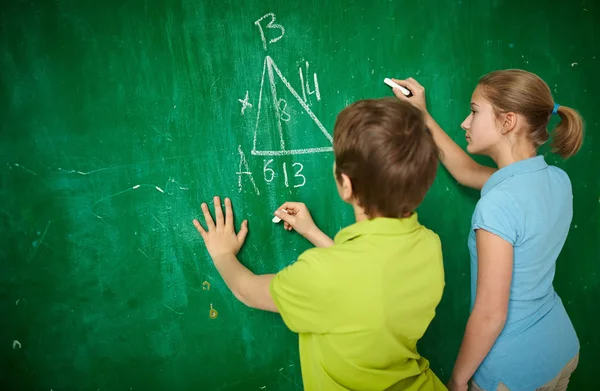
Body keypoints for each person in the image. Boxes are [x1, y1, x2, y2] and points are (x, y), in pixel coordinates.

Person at [193, 98, 447, 390]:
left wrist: (223, 254)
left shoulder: (322, 275)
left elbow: (247, 290)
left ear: (346, 185)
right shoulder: (429, 245)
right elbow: (365, 284)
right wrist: (313, 233)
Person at [392, 70, 583, 391]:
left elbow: (490, 315)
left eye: (475, 111)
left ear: (507, 122)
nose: (465, 122)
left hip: (512, 372)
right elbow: (467, 172)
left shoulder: (498, 204)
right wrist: (422, 115)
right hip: (561, 349)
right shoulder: (556, 181)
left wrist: (458, 379)